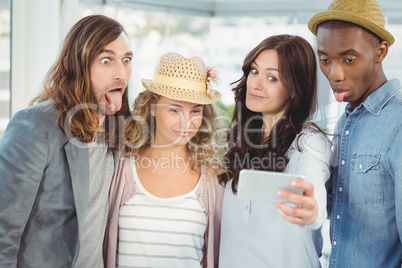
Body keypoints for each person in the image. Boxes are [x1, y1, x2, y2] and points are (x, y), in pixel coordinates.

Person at [0, 15, 137, 267]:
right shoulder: (34, 126)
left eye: (126, 60)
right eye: (105, 60)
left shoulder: (116, 129)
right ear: (71, 65)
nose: (121, 73)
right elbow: (3, 233)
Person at [218, 34, 332, 267]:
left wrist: (312, 211)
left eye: (272, 78)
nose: (255, 84)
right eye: (254, 71)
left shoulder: (308, 142)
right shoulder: (242, 140)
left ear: (294, 89)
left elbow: (313, 187)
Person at [103, 52, 225, 268]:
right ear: (152, 107)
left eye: (195, 110)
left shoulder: (213, 180)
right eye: (175, 109)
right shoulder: (121, 166)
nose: (187, 121)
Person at [308, 0, 402, 267]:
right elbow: (338, 209)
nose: (334, 74)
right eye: (325, 60)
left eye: (349, 60)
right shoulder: (346, 121)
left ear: (381, 51)